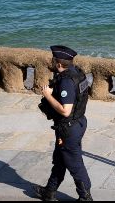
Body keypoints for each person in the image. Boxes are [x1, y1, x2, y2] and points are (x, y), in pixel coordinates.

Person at [32, 45, 93, 201]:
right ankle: (49, 192)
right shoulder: (77, 73)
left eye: (53, 60)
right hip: (77, 122)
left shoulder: (66, 81)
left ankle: (85, 197)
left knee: (74, 163)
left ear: (58, 64)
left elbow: (65, 110)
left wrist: (47, 95)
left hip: (68, 128)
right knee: (60, 159)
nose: (51, 62)